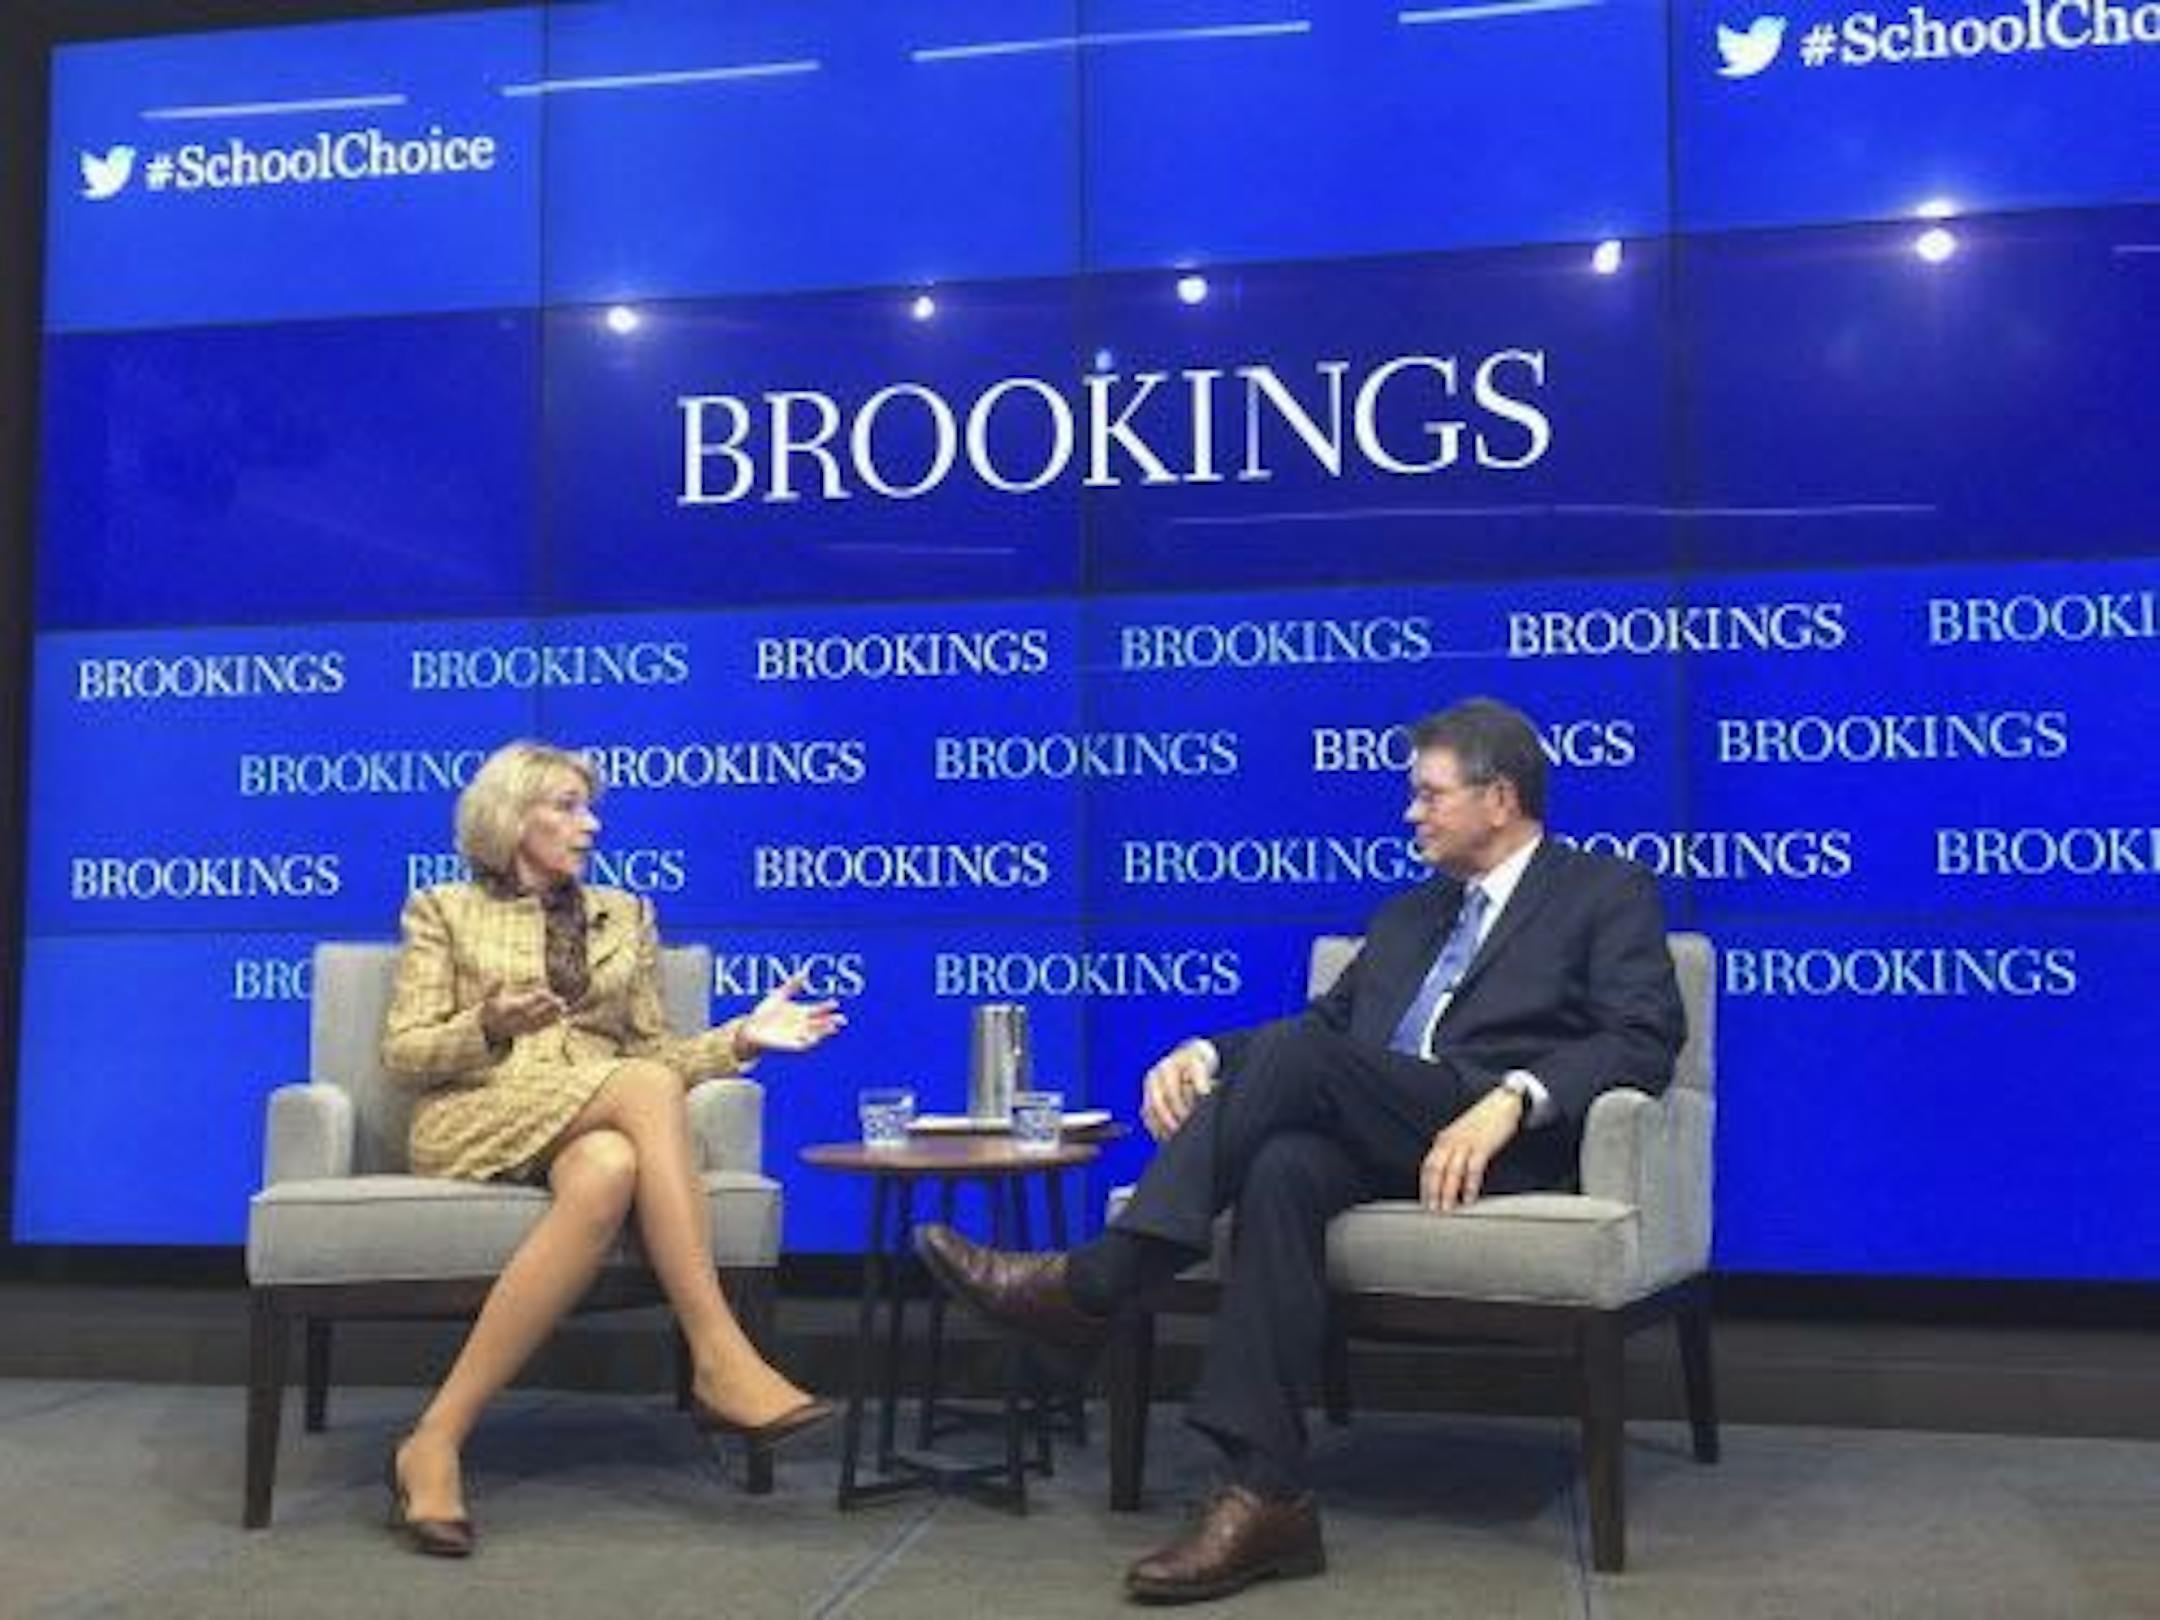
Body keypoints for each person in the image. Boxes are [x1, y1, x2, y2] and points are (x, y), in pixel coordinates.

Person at [916, 697, 1685, 1604]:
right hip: (1384, 1130)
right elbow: (1321, 1032)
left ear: (1501, 797)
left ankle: (1093, 1286)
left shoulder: (1602, 891)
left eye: (1429, 794)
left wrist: (1515, 1099)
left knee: (1301, 1077)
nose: (1411, 813)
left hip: (1495, 1142)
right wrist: (1208, 1054)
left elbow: (1644, 1036)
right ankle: (1266, 1493)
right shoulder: (1406, 916)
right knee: (1283, 1166)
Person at [380, 740, 844, 1557]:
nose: (589, 825)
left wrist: (743, 1037)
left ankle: (435, 1439)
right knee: (637, 1094)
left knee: (613, 1166)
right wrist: (486, 1025)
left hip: (592, 1117)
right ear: (511, 816)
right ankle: (718, 1353)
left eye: (590, 808)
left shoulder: (627, 915)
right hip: (475, 1112)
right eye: (566, 806)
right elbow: (405, 1054)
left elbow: (655, 1055)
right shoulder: (442, 909)